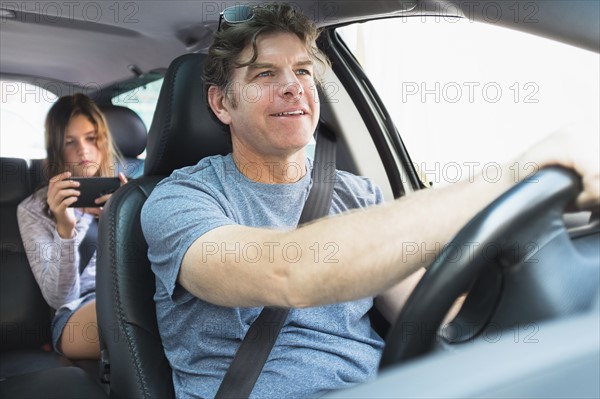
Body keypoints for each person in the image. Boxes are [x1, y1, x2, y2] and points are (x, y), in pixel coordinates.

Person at [141, 3, 599, 398]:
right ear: (221, 104)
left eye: (302, 70)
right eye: (265, 73)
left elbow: (425, 308)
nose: (293, 86)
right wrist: (518, 173)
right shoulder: (179, 201)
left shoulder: (356, 194)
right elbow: (288, 273)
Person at [17, 93, 128, 360]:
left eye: (91, 138)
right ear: (56, 149)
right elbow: (59, 298)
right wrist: (65, 229)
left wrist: (124, 217)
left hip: (132, 295)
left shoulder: (130, 190)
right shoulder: (34, 209)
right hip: (76, 315)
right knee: (133, 316)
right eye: (70, 142)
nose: (83, 151)